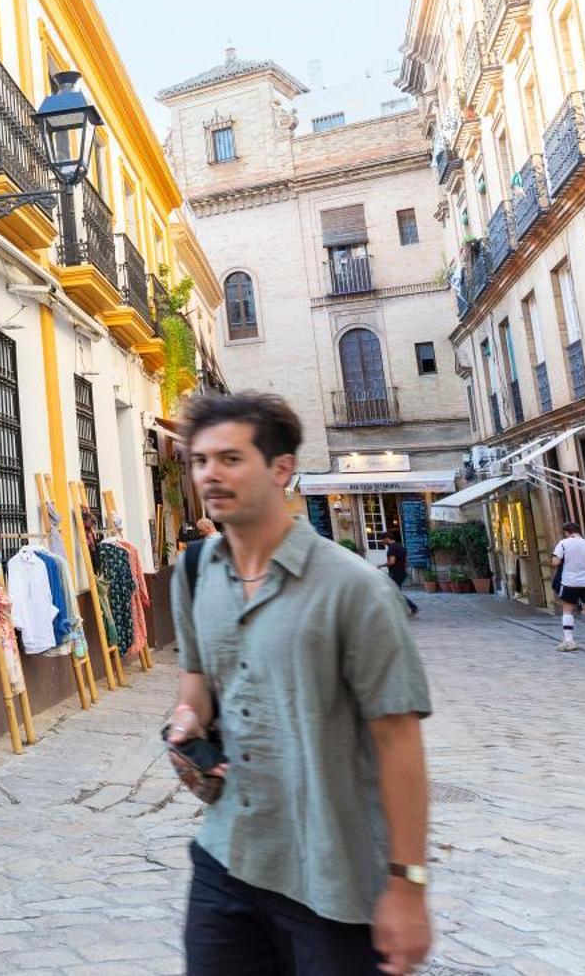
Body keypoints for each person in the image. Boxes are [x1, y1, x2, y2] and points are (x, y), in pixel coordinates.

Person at [166, 393, 433, 975]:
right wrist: (183, 724)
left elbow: (399, 743)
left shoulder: (355, 590)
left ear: (281, 468)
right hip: (226, 856)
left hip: (331, 877)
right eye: (200, 460)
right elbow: (196, 686)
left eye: (231, 458)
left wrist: (408, 887)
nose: (210, 473)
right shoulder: (191, 574)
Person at [553, 522, 585, 651]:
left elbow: (555, 562)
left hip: (569, 582)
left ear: (566, 532)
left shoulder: (563, 544)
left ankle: (569, 641)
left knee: (567, 610)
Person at [386, 540, 420, 618]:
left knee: (395, 592)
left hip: (395, 573)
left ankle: (412, 607)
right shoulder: (402, 547)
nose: (382, 542)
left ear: (386, 538)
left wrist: (382, 565)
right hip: (402, 572)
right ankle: (403, 609)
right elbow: (406, 561)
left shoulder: (391, 549)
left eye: (383, 540)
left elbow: (392, 562)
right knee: (395, 592)